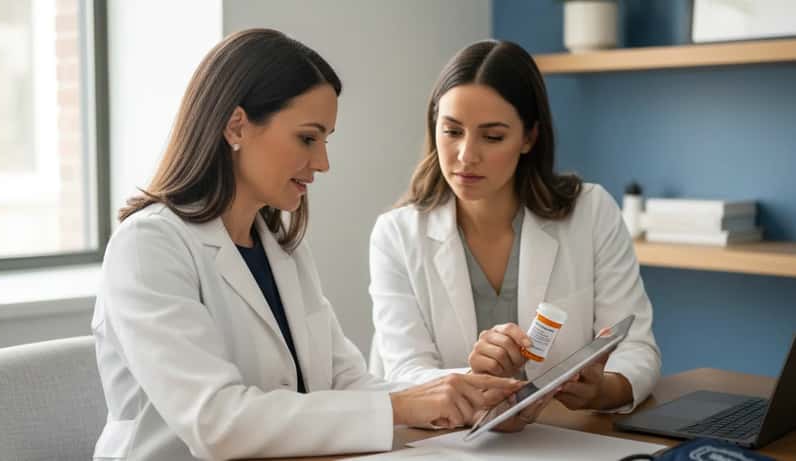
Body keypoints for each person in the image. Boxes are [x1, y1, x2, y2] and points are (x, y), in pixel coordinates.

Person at [91, 29, 524, 461]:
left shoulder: (282, 248)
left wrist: (467, 396)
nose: (323, 162)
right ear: (236, 126)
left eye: (325, 140)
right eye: (307, 138)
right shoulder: (148, 247)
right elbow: (215, 422)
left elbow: (349, 384)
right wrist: (401, 407)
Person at [368, 39, 661, 428]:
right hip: (445, 444)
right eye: (452, 131)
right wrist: (477, 388)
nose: (466, 155)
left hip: (563, 438)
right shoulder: (396, 235)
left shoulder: (591, 213)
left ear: (529, 138)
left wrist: (602, 390)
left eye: (492, 137)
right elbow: (404, 372)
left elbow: (636, 348)